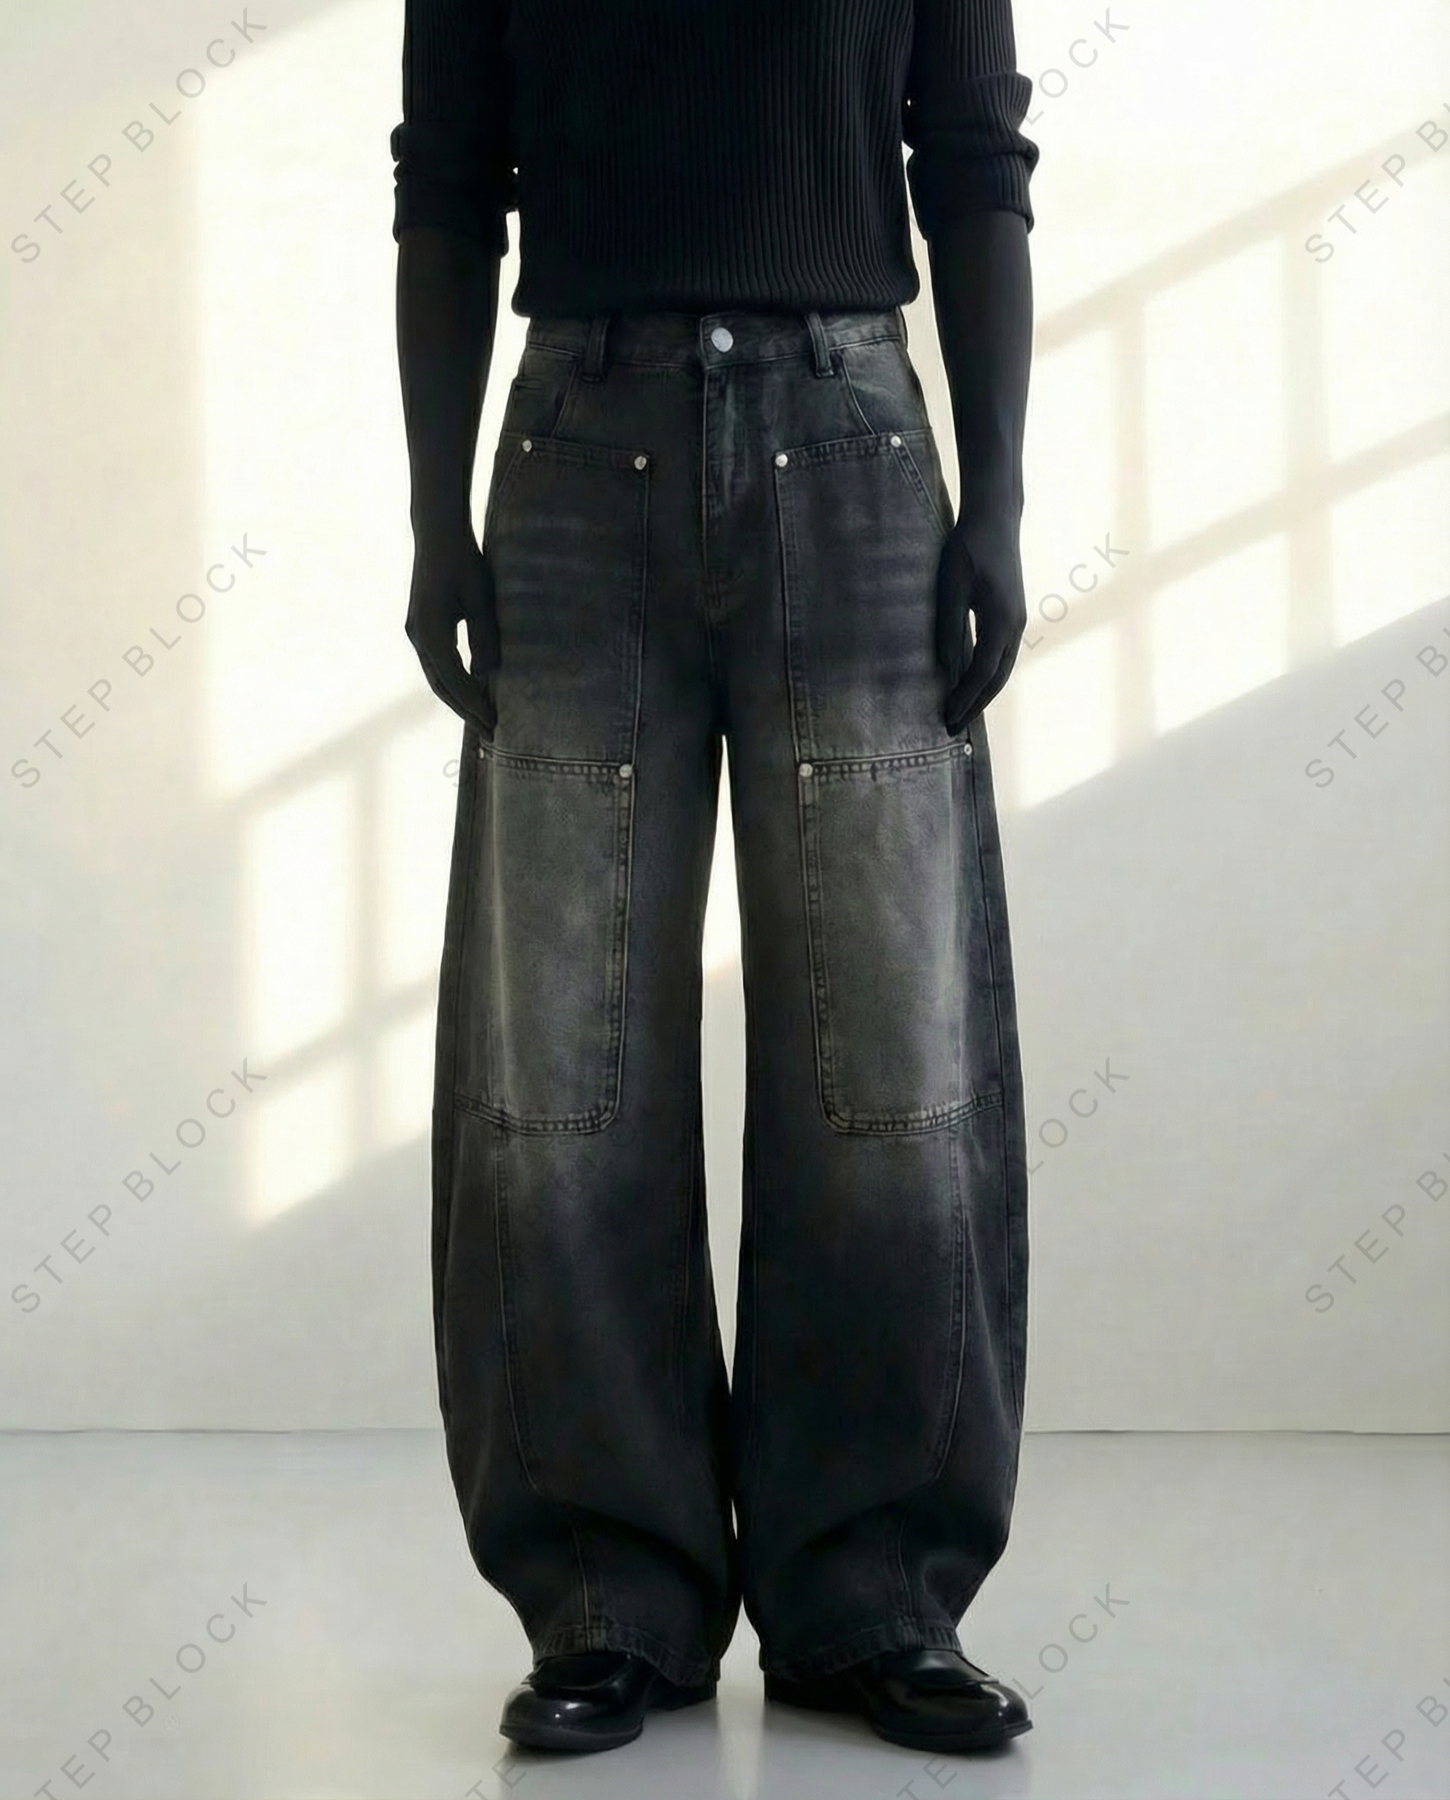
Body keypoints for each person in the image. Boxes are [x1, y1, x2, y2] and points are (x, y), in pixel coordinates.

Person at [392, 0, 1039, 1760]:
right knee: (560, 1078)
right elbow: (445, 185)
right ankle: (606, 1597)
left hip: (853, 450)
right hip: (573, 462)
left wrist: (996, 499)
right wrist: (434, 517)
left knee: (888, 1069)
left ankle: (874, 1593)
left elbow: (972, 160)